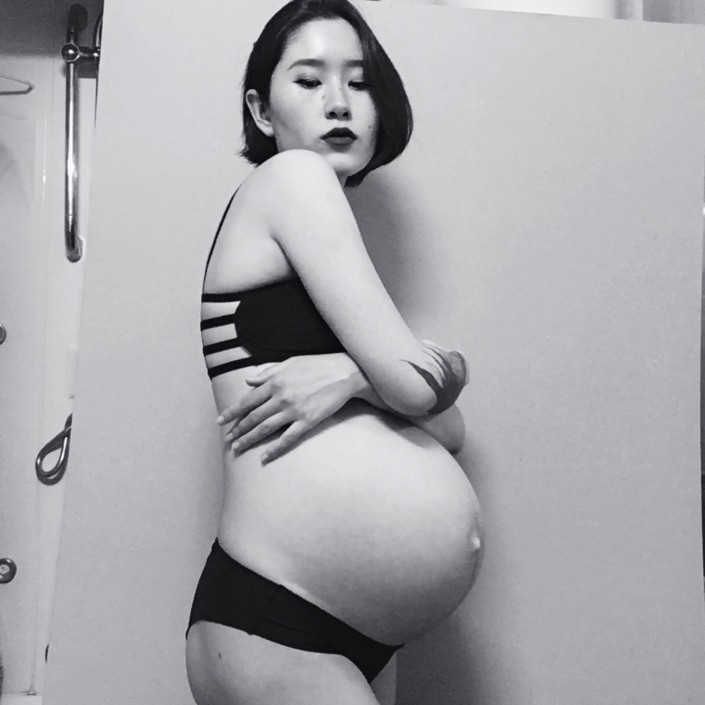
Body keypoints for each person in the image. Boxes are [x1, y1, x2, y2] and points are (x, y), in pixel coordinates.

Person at [185, 1, 483, 703]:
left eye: (360, 80)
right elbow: (421, 386)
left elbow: (449, 426)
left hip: (351, 625)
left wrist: (350, 374)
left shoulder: (321, 245)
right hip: (275, 616)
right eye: (309, 80)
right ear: (261, 111)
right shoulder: (292, 178)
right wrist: (392, 372)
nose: (340, 102)